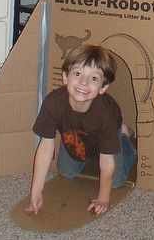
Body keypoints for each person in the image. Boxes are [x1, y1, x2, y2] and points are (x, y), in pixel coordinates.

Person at [24, 44, 137, 217]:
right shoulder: (53, 103)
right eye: (77, 74)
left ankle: (123, 136)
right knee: (65, 171)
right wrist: (36, 191)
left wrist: (103, 199)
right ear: (65, 77)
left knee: (116, 181)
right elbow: (46, 147)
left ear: (103, 88)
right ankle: (92, 149)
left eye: (94, 78)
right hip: (77, 133)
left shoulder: (105, 113)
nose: (84, 82)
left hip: (108, 129)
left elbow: (107, 162)